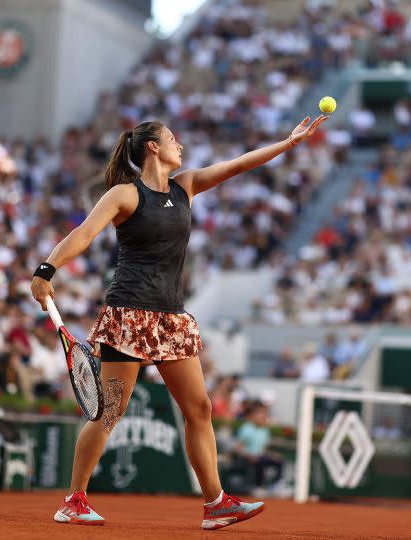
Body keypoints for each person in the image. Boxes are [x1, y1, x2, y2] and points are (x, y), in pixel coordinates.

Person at [30, 116, 326, 529]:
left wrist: (287, 143)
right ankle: (74, 500)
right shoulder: (124, 194)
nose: (179, 145)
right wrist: (46, 270)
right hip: (130, 314)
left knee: (200, 408)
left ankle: (216, 503)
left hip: (171, 317)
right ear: (152, 147)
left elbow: (239, 165)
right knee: (110, 411)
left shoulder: (184, 185)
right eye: (172, 139)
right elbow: (83, 234)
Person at [233, 403, 282, 496]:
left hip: (260, 457)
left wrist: (273, 455)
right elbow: (237, 448)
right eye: (260, 414)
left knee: (278, 461)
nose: (263, 417)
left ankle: (276, 486)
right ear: (252, 416)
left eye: (264, 414)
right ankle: (258, 487)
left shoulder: (265, 431)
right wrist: (249, 455)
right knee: (260, 462)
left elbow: (263, 450)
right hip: (246, 458)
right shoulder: (246, 428)